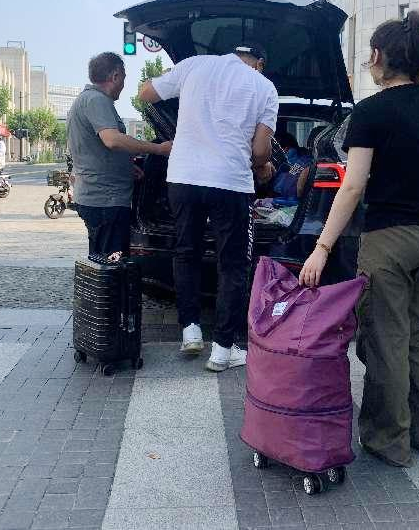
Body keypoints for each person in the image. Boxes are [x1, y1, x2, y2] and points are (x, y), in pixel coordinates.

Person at [298, 12, 419, 467]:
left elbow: (352, 186)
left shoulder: (370, 112)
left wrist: (322, 247)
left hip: (389, 240)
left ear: (377, 56)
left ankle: (389, 440)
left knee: (386, 339)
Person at [139, 44, 279, 372]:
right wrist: (263, 166)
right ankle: (223, 349)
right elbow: (261, 150)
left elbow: (146, 93)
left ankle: (190, 330)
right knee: (232, 264)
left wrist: (177, 81)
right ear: (259, 63)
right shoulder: (264, 87)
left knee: (186, 252)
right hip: (230, 182)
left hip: (183, 177)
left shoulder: (195, 65)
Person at [67, 52, 172, 257]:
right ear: (115, 76)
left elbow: (97, 147)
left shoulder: (88, 99)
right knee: (111, 263)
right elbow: (112, 140)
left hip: (100, 198)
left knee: (104, 260)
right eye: (124, 77)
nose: (124, 84)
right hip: (105, 201)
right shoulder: (96, 100)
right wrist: (159, 149)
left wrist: (125, 166)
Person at [272, 132, 313, 200]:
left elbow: (282, 187)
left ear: (285, 149)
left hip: (285, 199)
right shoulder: (307, 159)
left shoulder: (285, 161)